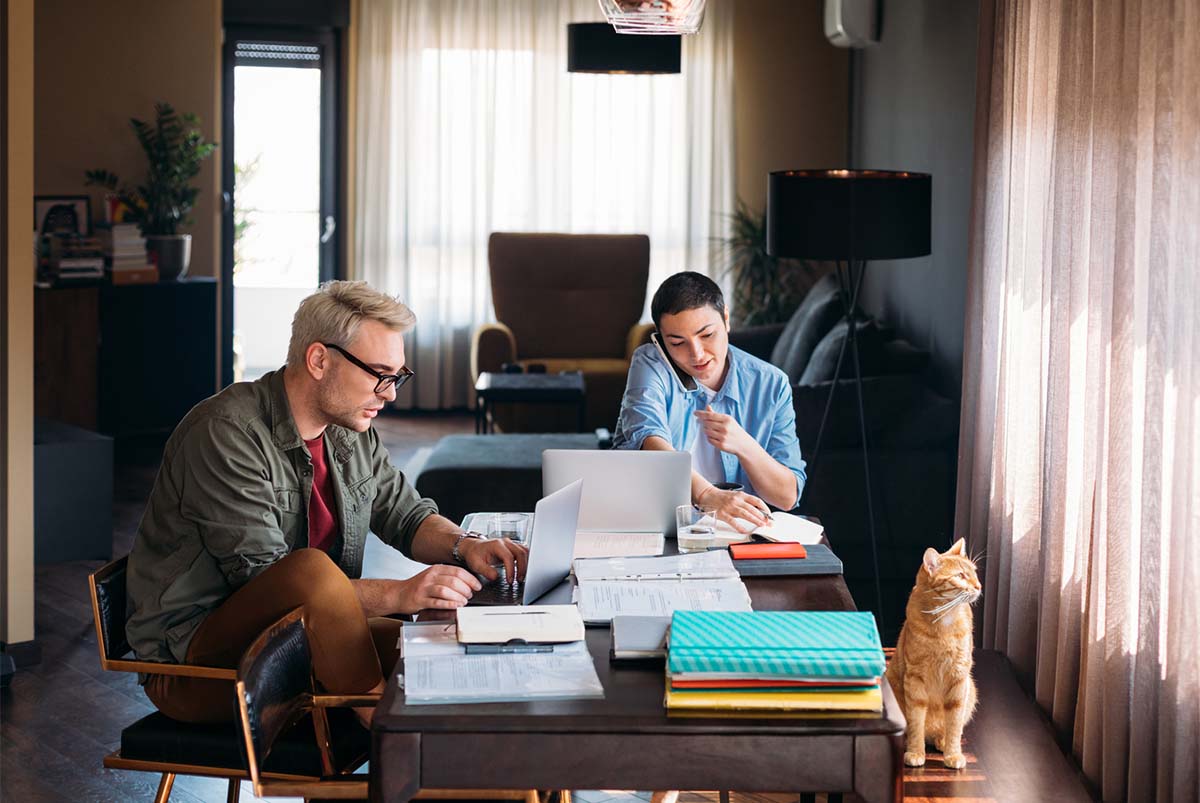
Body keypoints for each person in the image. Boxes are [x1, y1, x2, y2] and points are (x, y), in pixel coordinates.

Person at [126, 280, 525, 723]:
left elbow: (406, 515)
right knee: (309, 568)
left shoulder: (348, 430)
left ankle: (478, 776)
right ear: (319, 359)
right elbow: (273, 581)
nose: (390, 393)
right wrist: (401, 593)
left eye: (397, 377)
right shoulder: (224, 433)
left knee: (453, 655)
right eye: (379, 374)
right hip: (199, 664)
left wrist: (465, 544)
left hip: (308, 635)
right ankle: (373, 720)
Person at [613, 271, 806, 532]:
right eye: (677, 342)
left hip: (735, 533)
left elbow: (786, 497)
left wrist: (744, 445)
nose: (697, 354)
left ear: (726, 319)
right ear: (661, 340)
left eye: (707, 335)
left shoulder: (771, 384)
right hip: (656, 524)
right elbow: (648, 438)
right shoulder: (650, 363)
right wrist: (707, 496)